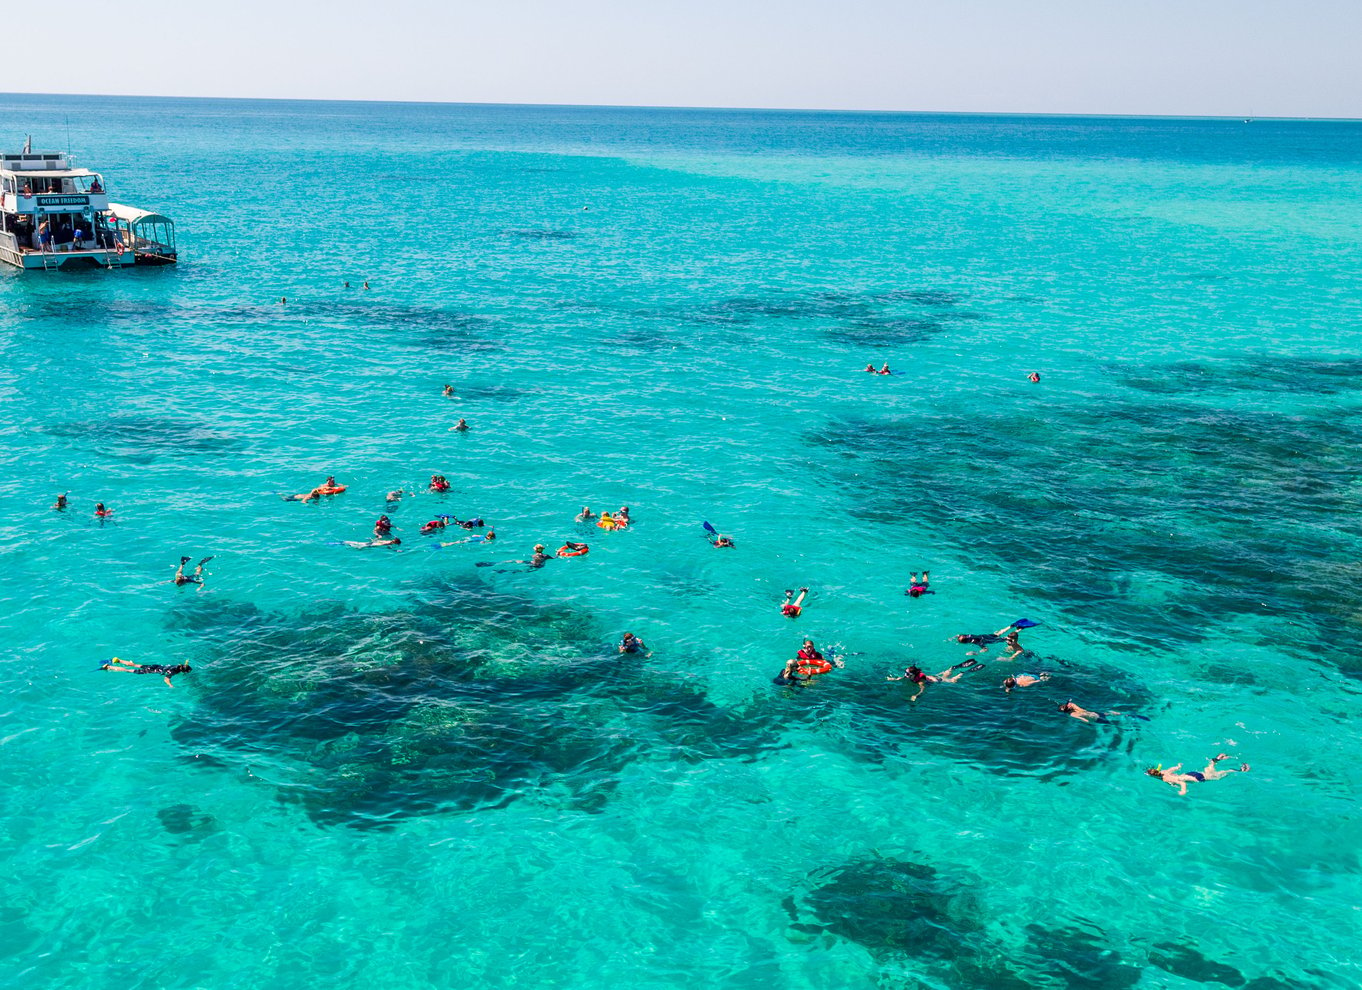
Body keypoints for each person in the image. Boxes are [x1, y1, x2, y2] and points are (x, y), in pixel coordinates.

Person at [1147, 754, 1249, 796]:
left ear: (1155, 776)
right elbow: (1174, 768)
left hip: (1195, 778)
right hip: (1190, 773)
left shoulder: (1165, 779)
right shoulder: (1164, 771)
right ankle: (1215, 760)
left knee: (1219, 776)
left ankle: (1240, 770)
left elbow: (1181, 782)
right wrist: (1178, 766)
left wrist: (1183, 791)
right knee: (1208, 770)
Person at [887, 663, 965, 702]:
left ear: (913, 674)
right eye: (905, 672)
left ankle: (961, 673)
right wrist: (893, 679)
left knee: (952, 681)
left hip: (937, 680)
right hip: (932, 677)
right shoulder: (909, 676)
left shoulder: (920, 681)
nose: (905, 674)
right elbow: (901, 677)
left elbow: (923, 689)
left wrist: (916, 695)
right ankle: (951, 669)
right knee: (945, 675)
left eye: (907, 673)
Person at [102, 657, 191, 688]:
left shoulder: (176, 666)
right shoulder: (174, 671)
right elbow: (166, 679)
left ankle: (118, 660)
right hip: (152, 670)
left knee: (135, 665)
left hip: (155, 666)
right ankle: (109, 667)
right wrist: (170, 685)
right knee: (128, 670)